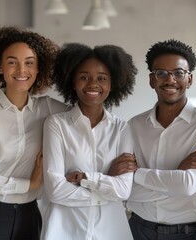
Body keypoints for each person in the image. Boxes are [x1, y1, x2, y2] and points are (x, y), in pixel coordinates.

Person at [0, 26, 68, 240]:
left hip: (28, 215)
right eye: (12, 62)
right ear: (0, 67)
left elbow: (86, 114)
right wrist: (30, 185)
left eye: (29, 62)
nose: (21, 70)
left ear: (39, 69)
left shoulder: (49, 108)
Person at [125, 39, 196, 240]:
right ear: (152, 80)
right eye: (161, 73)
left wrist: (136, 174)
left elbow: (187, 186)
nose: (170, 79)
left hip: (186, 234)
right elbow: (125, 190)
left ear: (189, 80)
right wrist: (177, 174)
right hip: (137, 229)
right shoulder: (134, 126)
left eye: (178, 73)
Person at [41, 43, 138, 240]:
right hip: (64, 231)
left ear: (111, 84)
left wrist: (85, 178)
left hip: (111, 231)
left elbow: (124, 190)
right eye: (84, 77)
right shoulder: (56, 125)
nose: (93, 84)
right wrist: (105, 181)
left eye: (102, 78)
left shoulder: (121, 128)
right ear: (73, 82)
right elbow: (55, 191)